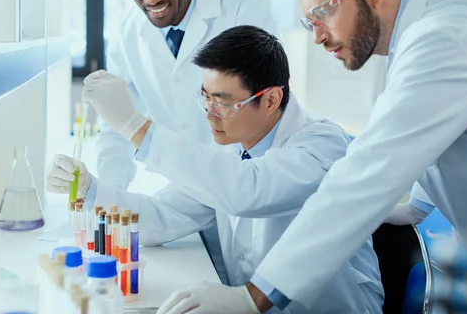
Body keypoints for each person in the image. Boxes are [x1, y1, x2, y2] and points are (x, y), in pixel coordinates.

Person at [155, 0, 467, 313]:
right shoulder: (431, 30)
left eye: (323, 13)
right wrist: (418, 204)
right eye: (308, 20)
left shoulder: (440, 38)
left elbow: (370, 171)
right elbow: (447, 131)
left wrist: (255, 296)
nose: (317, 36)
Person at [49, 26, 385, 313]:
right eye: (205, 98)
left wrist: (136, 126)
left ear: (269, 100)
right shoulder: (232, 146)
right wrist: (90, 189)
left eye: (222, 103)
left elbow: (246, 192)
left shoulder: (322, 145)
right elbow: (162, 216)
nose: (209, 114)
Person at [48, 0, 278, 284]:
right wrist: (107, 193)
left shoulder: (243, 7)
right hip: (190, 186)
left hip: (245, 182)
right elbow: (116, 127)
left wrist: (136, 133)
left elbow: (257, 111)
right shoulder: (128, 33)